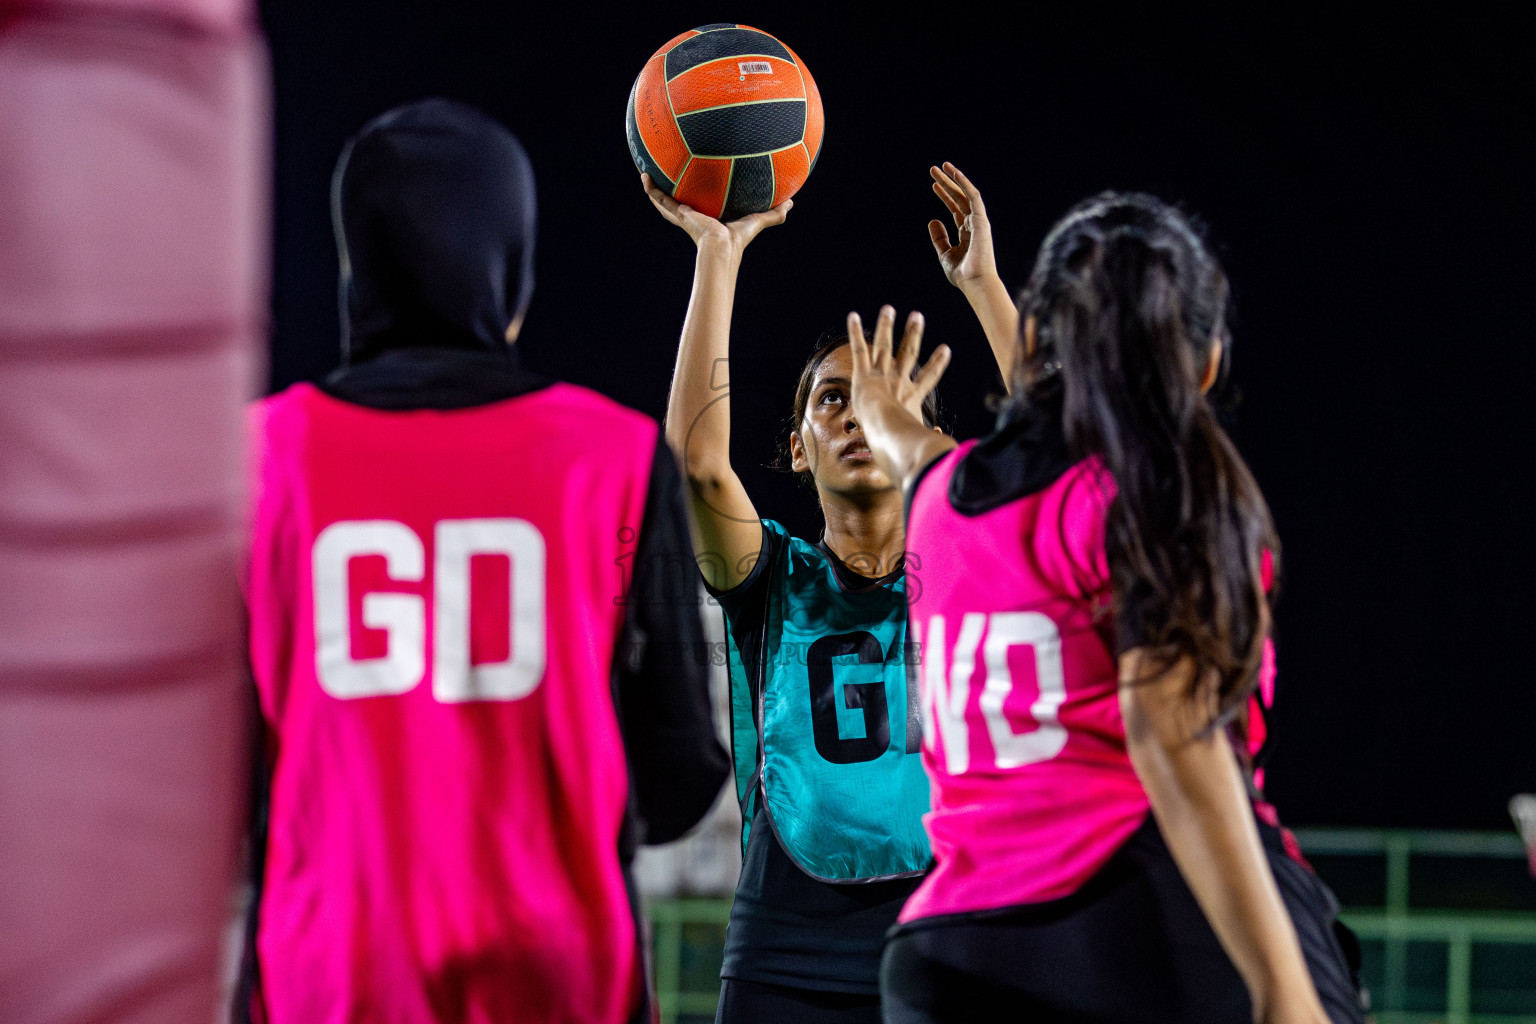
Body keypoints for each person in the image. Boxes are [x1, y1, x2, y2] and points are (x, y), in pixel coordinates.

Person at [241, 99, 728, 1024]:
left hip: (331, 974)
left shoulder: (258, 459)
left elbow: (207, 786)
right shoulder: (613, 458)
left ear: (358, 269)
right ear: (512, 268)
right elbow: (680, 775)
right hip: (557, 972)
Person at [846, 173, 1365, 1022]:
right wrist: (1285, 994)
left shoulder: (940, 493)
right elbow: (1170, 732)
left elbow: (942, 446)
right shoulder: (1164, 492)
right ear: (1207, 360)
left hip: (944, 953)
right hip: (1129, 917)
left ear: (1044, 334)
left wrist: (894, 393)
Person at [640, 173, 960, 1024]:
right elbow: (697, 467)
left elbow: (1060, 468)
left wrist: (985, 290)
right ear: (797, 447)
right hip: (785, 954)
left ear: (932, 437)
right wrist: (719, 253)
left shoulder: (974, 569)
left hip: (948, 943)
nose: (859, 417)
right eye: (832, 401)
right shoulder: (772, 579)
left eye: (886, 402)